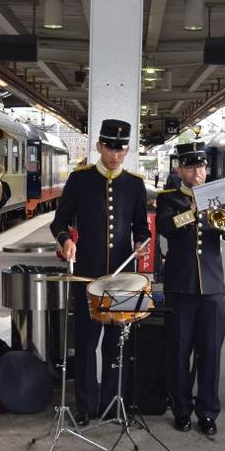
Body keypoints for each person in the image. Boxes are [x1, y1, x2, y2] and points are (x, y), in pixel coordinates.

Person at [49, 119, 151, 426]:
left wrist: (141, 242)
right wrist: (66, 241)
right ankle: (85, 406)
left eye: (121, 149)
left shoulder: (135, 183)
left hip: (123, 279)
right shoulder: (80, 180)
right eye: (110, 148)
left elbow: (142, 227)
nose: (115, 155)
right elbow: (59, 221)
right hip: (87, 278)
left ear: (127, 150)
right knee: (85, 343)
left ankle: (111, 404)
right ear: (99, 147)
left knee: (116, 343)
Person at [156, 142, 225, 435]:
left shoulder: (220, 197)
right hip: (181, 287)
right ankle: (181, 409)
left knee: (211, 354)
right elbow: (166, 228)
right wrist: (193, 212)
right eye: (191, 167)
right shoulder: (169, 197)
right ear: (180, 169)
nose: (198, 172)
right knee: (179, 353)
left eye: (202, 167)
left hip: (213, 288)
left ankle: (207, 411)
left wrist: (223, 219)